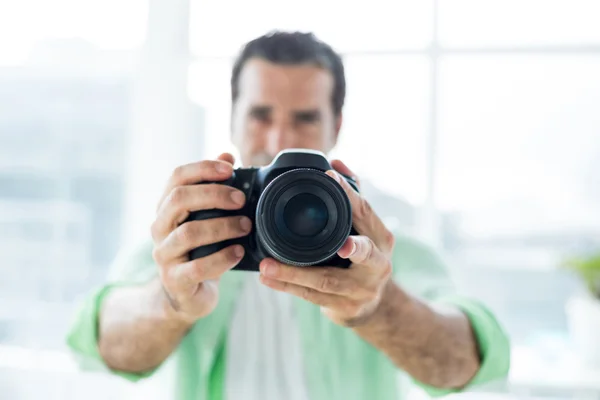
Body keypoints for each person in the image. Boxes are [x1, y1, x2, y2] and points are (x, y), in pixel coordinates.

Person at [66, 31, 510, 400]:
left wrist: (378, 307)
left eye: (304, 118)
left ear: (335, 126)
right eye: (261, 115)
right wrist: (170, 301)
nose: (281, 138)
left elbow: (469, 362)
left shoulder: (383, 251)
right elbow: (105, 344)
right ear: (234, 120)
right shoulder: (187, 242)